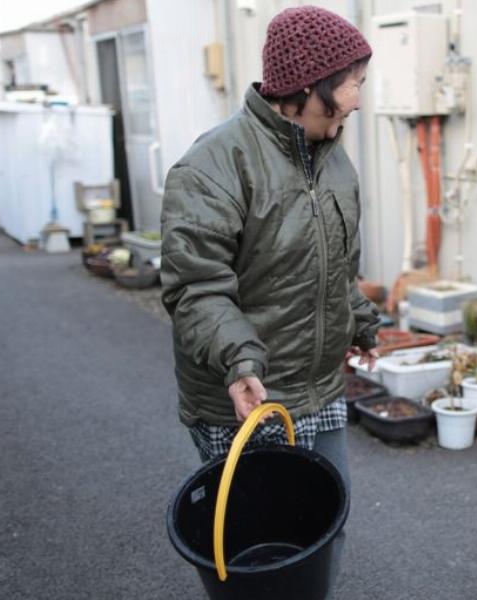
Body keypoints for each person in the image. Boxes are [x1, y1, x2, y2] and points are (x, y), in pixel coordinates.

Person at [160, 6, 379, 484]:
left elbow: (338, 268)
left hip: (319, 390)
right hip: (242, 396)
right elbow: (197, 289)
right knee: (248, 543)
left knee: (324, 526)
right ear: (309, 86)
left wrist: (360, 321)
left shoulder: (335, 164)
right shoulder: (212, 166)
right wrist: (239, 363)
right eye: (354, 83)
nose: (359, 100)